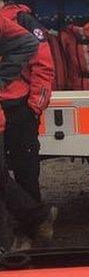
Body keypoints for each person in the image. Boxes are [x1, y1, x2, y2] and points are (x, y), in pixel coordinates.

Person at [0, 14, 39, 251]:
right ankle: (36, 217)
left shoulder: (21, 17)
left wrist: (35, 104)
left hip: (19, 106)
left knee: (25, 170)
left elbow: (40, 57)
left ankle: (30, 231)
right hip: (6, 108)